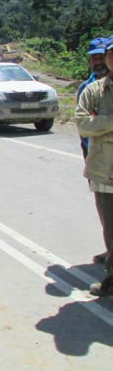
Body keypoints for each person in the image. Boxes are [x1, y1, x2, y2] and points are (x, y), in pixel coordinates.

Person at [75, 36, 113, 296]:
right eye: (98, 56)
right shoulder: (91, 89)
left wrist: (101, 124)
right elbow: (82, 125)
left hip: (100, 149)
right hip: (101, 163)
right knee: (109, 222)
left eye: (104, 56)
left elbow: (93, 125)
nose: (101, 61)